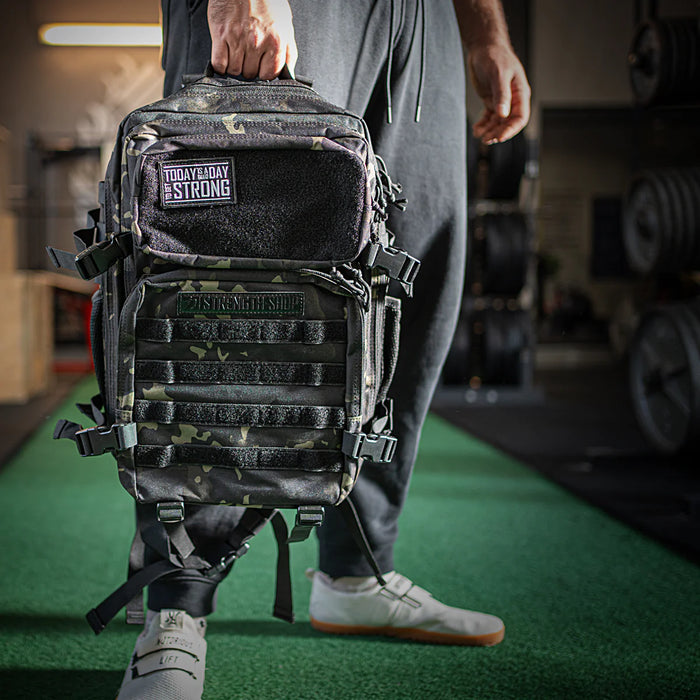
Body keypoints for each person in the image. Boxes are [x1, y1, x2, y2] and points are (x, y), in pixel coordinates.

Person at [117, 1, 530, 698]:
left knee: (405, 286)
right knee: (230, 282)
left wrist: (487, 31)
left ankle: (355, 573)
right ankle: (175, 607)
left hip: (426, 23)